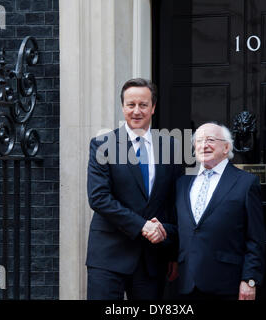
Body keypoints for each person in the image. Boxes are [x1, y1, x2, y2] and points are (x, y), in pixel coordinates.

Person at [86, 78, 183, 300]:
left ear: (153, 107)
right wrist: (142, 226)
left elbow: (174, 203)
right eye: (131, 105)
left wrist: (173, 252)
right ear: (123, 107)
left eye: (143, 105)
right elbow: (99, 198)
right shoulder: (102, 145)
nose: (136, 111)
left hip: (152, 259)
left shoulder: (171, 146)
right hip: (108, 256)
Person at [175, 123, 266, 300]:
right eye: (199, 141)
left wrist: (250, 279)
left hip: (227, 284)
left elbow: (255, 237)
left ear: (226, 147)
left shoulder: (246, 183)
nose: (203, 145)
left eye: (210, 140)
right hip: (187, 283)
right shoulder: (182, 184)